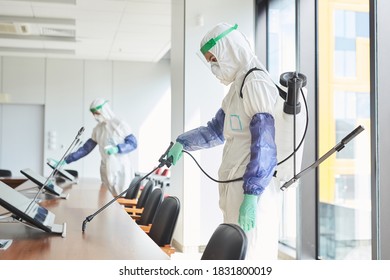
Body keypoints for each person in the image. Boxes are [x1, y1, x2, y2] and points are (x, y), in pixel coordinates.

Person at [168, 23, 300, 260]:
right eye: (210, 62)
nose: (213, 67)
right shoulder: (236, 88)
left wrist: (252, 193)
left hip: (252, 191)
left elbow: (265, 141)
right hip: (236, 186)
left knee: (251, 257)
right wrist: (183, 142)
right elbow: (215, 131)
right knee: (236, 257)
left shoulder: (255, 81)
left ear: (229, 50)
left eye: (214, 60)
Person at [56, 98, 137, 196]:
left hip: (121, 167)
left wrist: (117, 148)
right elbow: (86, 149)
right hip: (105, 167)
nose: (95, 116)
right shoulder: (98, 129)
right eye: (93, 113)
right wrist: (66, 160)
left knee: (121, 197)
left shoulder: (120, 124)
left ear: (104, 110)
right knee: (107, 197)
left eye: (97, 113)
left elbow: (133, 144)